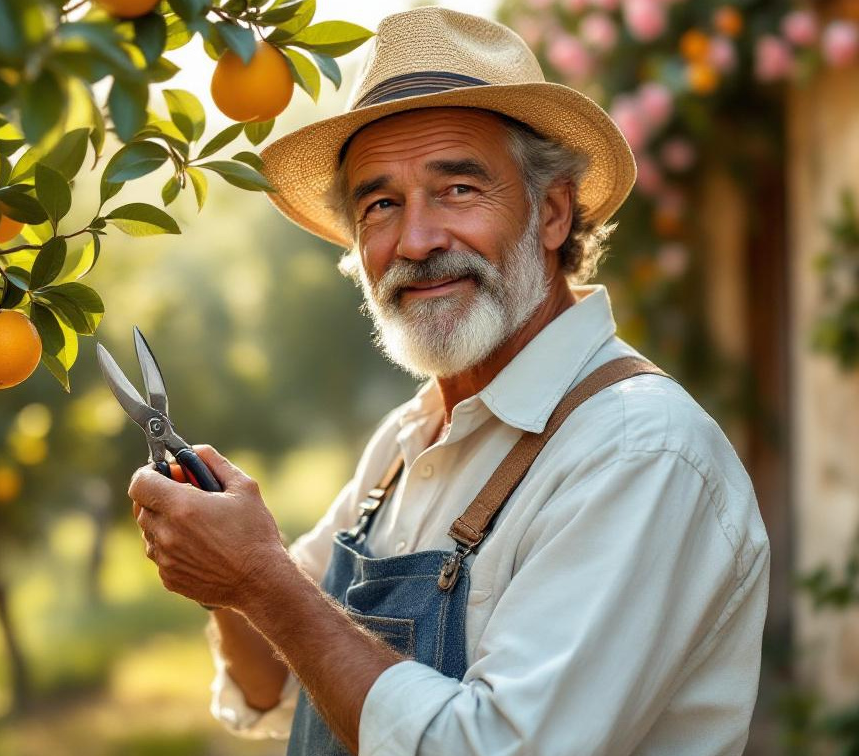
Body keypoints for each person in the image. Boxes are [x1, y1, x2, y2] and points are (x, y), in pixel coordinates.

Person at [125, 6, 770, 756]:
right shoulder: (408, 439)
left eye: (458, 189)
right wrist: (225, 578)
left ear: (552, 212)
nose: (417, 240)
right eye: (381, 205)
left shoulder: (639, 451)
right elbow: (274, 683)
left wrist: (260, 581)